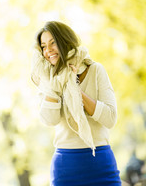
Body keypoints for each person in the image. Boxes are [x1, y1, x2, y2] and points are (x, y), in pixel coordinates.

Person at [31, 21, 121, 186]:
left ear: (65, 41)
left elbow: (110, 118)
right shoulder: (47, 79)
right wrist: (54, 87)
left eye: (53, 43)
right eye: (43, 46)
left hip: (100, 163)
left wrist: (75, 89)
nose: (48, 50)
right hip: (66, 168)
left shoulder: (95, 70)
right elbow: (49, 120)